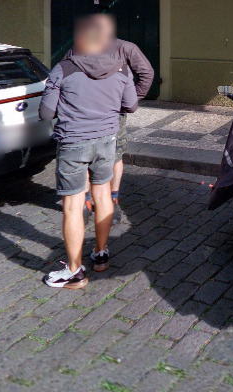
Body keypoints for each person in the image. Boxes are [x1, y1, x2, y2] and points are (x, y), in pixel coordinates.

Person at [39, 15, 138, 289]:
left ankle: (74, 271)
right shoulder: (122, 69)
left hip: (73, 142)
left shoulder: (63, 69)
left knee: (73, 205)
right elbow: (130, 106)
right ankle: (101, 253)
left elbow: (46, 112)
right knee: (103, 194)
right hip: (106, 140)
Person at [65, 13, 154, 224]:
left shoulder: (124, 48)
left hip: (99, 113)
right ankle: (96, 201)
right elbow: (66, 74)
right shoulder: (80, 48)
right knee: (107, 154)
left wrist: (129, 99)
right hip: (93, 112)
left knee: (105, 154)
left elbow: (146, 73)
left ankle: (101, 201)